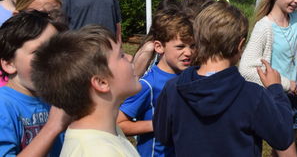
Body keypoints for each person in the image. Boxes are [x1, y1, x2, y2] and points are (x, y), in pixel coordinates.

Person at [153, 0, 292, 156]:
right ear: (240, 45)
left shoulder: (173, 89)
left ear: (197, 39)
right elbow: (283, 138)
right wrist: (276, 90)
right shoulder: (253, 96)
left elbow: (162, 135)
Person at [32, 25, 140, 157]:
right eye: (121, 56)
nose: (130, 57)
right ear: (101, 82)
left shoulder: (107, 132)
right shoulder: (99, 151)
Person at [239, 0, 297, 157]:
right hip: (272, 97)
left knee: (283, 143)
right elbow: (246, 69)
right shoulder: (264, 27)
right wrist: (285, 83)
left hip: (293, 96)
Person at [117, 9, 194, 157]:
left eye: (192, 46)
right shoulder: (148, 85)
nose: (188, 52)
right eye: (180, 47)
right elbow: (119, 124)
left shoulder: (190, 77)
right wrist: (158, 124)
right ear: (159, 47)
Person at [0, 11, 68, 156]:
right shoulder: (3, 106)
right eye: (39, 52)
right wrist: (52, 127)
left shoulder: (56, 98)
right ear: (9, 64)